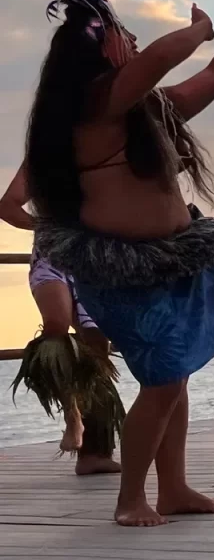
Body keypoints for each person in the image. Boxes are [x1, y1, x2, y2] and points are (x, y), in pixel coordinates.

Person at [27, 0, 214, 526]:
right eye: (123, 35)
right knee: (163, 381)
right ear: (100, 49)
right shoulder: (92, 106)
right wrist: (201, 28)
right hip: (125, 277)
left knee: (174, 378)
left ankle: (175, 487)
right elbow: (168, 54)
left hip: (173, 267)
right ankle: (130, 498)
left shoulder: (146, 111)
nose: (135, 42)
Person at [1, 162, 123, 474]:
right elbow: (8, 206)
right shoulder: (42, 156)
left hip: (94, 259)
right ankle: (72, 415)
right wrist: (43, 226)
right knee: (54, 326)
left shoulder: (106, 150)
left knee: (95, 347)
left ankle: (94, 454)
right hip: (52, 258)